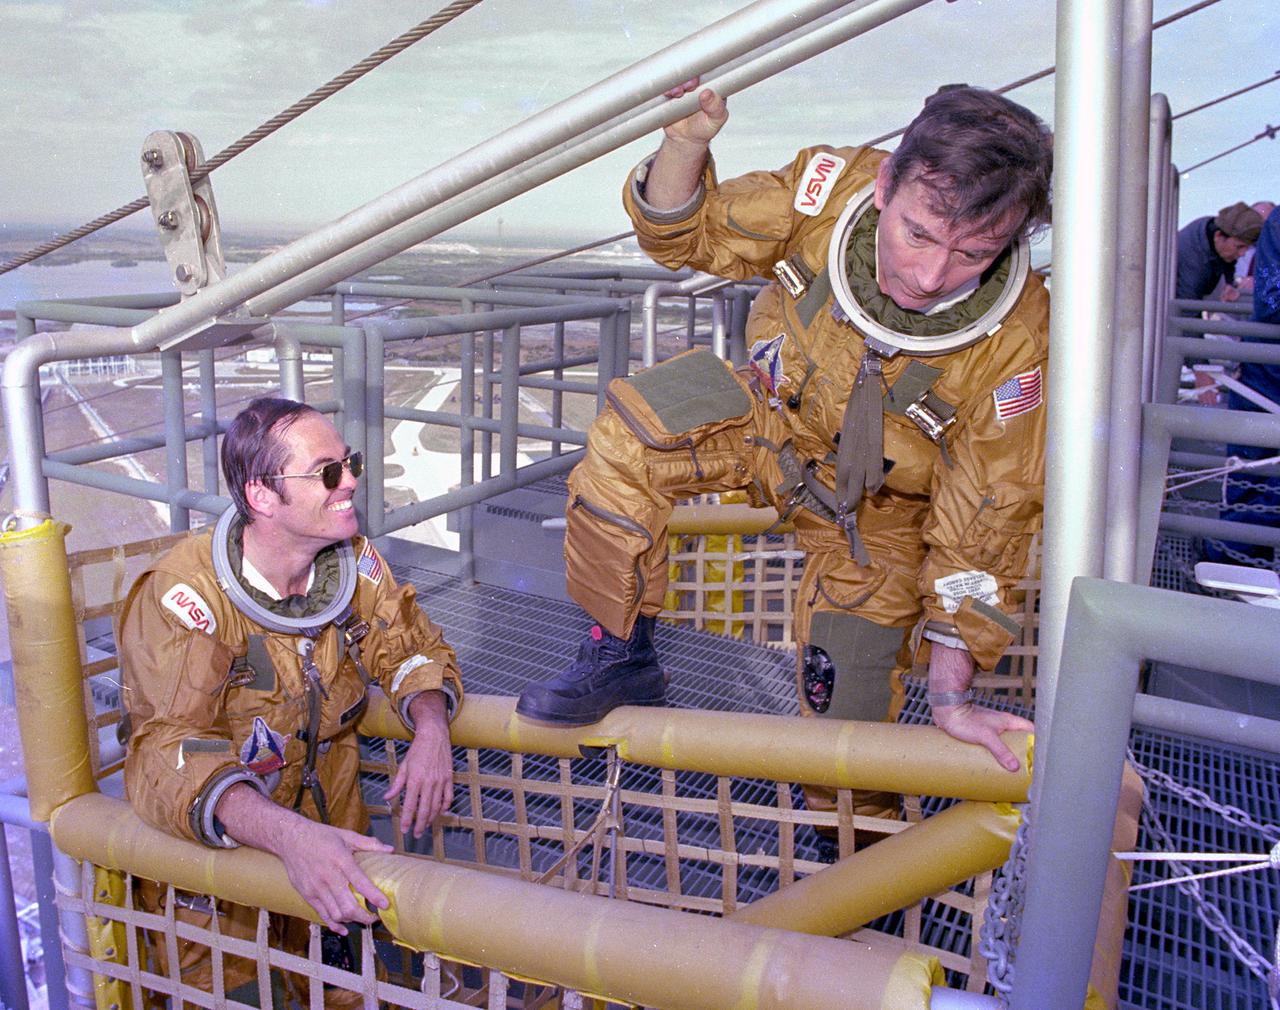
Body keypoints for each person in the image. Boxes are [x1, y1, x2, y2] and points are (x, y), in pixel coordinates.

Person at [517, 83, 1048, 794]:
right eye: (917, 233)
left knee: (844, 744)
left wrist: (952, 697)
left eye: (973, 252)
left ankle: (859, 862)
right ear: (887, 184)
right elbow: (684, 232)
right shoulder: (828, 195)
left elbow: (990, 523)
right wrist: (684, 144)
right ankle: (621, 653)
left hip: (877, 523)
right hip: (770, 423)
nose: (929, 275)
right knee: (627, 439)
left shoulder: (1018, 343)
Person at [119, 396, 463, 1003]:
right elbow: (169, 746)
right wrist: (286, 836)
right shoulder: (188, 595)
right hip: (221, 875)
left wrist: (432, 727)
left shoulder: (350, 561)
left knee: (348, 993)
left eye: (349, 462)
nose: (352, 480)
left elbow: (410, 645)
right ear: (262, 497)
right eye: (328, 472)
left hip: (331, 846)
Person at [1176, 201, 1263, 306]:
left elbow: (1228, 262)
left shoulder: (1212, 231)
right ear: (1218, 236)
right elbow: (1187, 309)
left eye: (1247, 248)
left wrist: (1229, 284)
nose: (1242, 254)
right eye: (1239, 247)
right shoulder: (1193, 260)